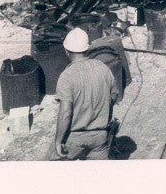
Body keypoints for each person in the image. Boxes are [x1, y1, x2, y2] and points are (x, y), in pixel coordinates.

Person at [49, 27, 119, 160]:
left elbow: (66, 113)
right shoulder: (102, 67)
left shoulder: (67, 76)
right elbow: (114, 95)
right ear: (87, 49)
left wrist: (58, 141)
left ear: (66, 51)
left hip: (75, 137)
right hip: (100, 137)